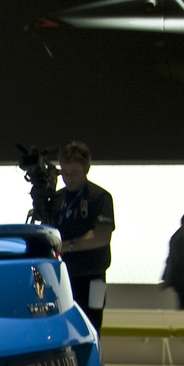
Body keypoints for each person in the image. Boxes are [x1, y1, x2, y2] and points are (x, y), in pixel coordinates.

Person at [50, 141, 114, 333]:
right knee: (63, 328)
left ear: (86, 169)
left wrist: (68, 246)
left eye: (74, 173)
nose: (68, 179)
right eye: (64, 173)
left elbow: (102, 236)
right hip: (63, 277)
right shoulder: (56, 199)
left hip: (94, 277)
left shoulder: (100, 197)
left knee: (93, 327)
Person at [162, 213, 184, 310]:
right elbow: (180, 260)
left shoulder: (177, 237)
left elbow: (170, 260)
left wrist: (167, 279)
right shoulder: (179, 239)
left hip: (181, 282)